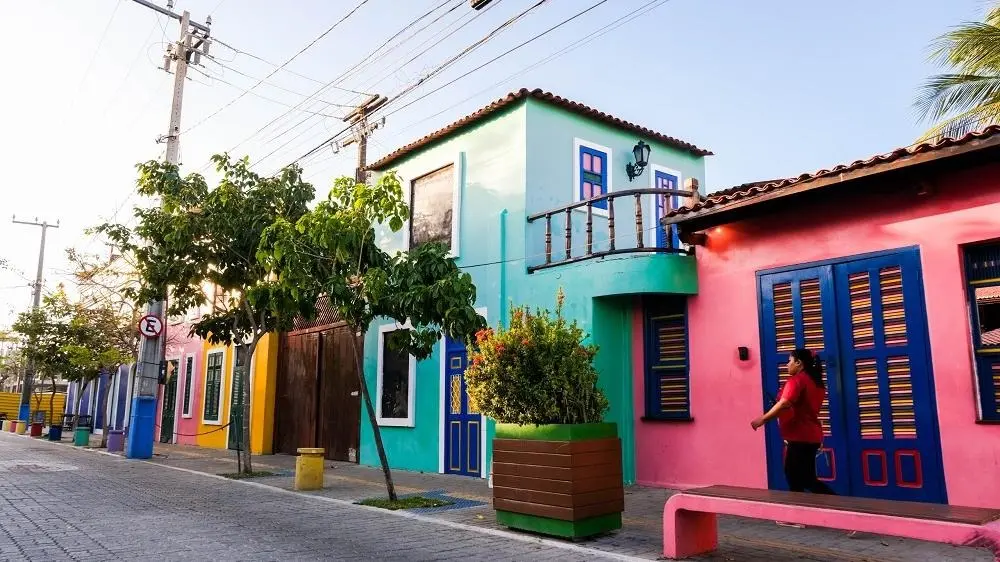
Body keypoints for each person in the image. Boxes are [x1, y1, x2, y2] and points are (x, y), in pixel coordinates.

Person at [751, 348, 835, 495]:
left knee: (800, 478)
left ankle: (839, 504)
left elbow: (785, 403)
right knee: (799, 478)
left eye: (789, 361)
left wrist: (762, 419)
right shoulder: (815, 382)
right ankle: (801, 508)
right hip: (808, 436)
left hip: (800, 436)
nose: (787, 365)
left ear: (798, 363)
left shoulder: (797, 381)